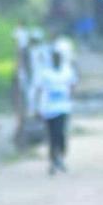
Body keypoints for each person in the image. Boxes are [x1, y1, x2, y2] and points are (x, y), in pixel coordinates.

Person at [35, 47, 76, 175]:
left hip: (62, 108)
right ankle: (53, 161)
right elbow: (39, 90)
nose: (56, 59)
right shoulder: (45, 73)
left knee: (60, 134)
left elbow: (72, 85)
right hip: (49, 109)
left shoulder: (67, 71)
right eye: (54, 57)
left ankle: (60, 155)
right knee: (52, 136)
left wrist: (70, 98)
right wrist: (37, 107)